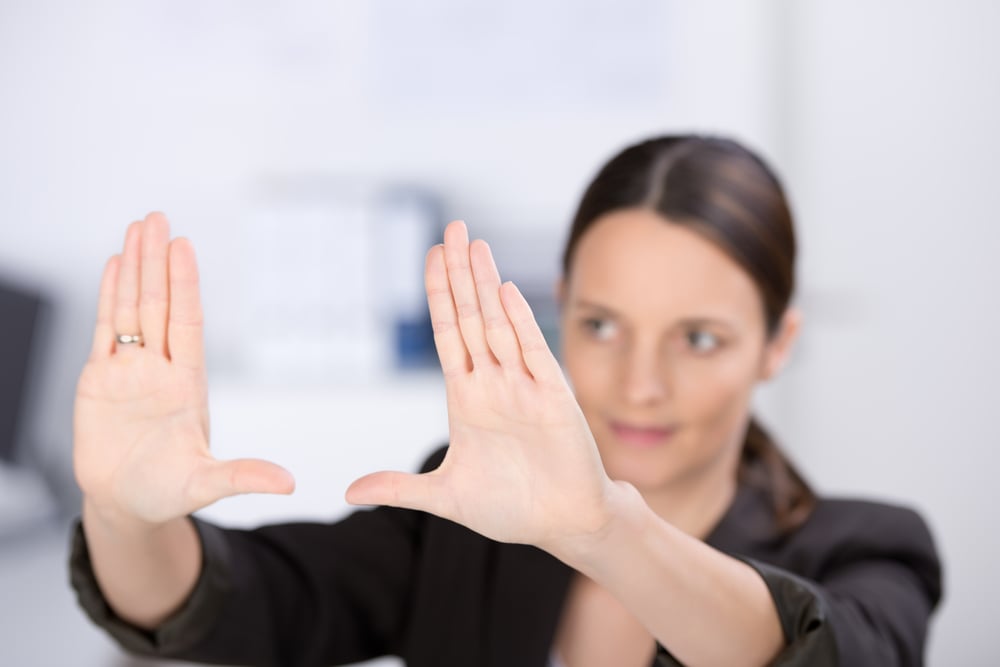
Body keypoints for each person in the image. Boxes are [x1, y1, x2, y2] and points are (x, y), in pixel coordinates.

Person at [69, 135, 941, 667]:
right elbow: (245, 604)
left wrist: (607, 530)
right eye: (602, 325)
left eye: (698, 337)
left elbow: (837, 656)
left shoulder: (868, 547)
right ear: (560, 305)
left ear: (777, 343)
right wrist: (123, 517)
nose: (641, 382)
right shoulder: (466, 525)